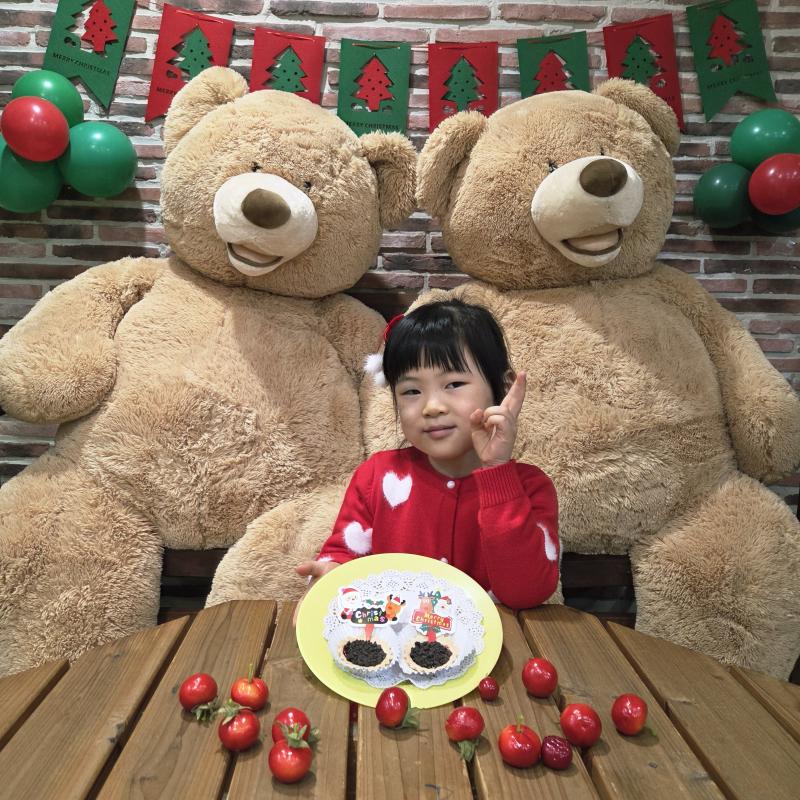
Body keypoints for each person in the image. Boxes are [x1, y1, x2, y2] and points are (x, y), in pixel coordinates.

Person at [295, 299, 560, 614]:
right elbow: (344, 556)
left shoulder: (530, 487)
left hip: (498, 641)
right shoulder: (376, 476)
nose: (432, 407)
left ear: (503, 389)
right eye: (411, 391)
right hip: (393, 639)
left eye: (454, 384)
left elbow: (527, 593)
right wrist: (331, 576)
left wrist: (497, 471)